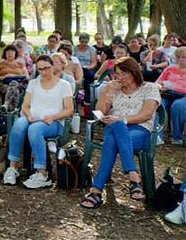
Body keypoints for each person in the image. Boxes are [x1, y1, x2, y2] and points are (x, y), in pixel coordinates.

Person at [80, 57, 160, 209]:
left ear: (134, 72)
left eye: (124, 74)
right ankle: (133, 177)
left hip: (140, 130)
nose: (119, 78)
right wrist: (106, 91)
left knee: (112, 139)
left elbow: (147, 114)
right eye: (117, 74)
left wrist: (122, 120)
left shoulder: (150, 87)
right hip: (114, 128)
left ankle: (96, 191)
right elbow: (100, 113)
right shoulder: (114, 89)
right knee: (115, 127)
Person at [3, 55, 74, 189]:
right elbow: (25, 106)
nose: (44, 72)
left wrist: (54, 116)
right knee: (18, 125)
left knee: (34, 129)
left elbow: (69, 110)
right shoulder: (34, 83)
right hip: (33, 117)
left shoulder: (64, 85)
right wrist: (29, 115)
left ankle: (42, 173)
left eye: (46, 68)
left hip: (54, 121)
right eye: (40, 69)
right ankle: (13, 168)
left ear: (53, 66)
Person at [156, 46, 186, 145]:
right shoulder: (170, 68)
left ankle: (177, 136)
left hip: (183, 95)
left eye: (184, 57)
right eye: (178, 57)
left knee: (177, 106)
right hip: (167, 94)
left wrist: (175, 87)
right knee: (158, 104)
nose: (181, 59)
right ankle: (157, 136)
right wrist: (161, 86)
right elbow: (158, 82)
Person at [0, 45, 29, 110]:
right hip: (3, 84)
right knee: (15, 90)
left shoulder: (20, 64)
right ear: (5, 53)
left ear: (15, 53)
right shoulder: (0, 64)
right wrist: (4, 77)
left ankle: (6, 105)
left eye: (12, 51)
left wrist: (15, 77)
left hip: (18, 84)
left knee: (14, 83)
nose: (10, 53)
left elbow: (27, 76)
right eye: (8, 51)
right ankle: (12, 110)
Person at [75, 33, 98, 103]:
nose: (84, 44)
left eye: (86, 42)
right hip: (77, 68)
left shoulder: (92, 49)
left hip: (87, 68)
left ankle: (87, 98)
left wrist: (89, 67)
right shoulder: (75, 49)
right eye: (82, 42)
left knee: (90, 75)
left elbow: (94, 62)